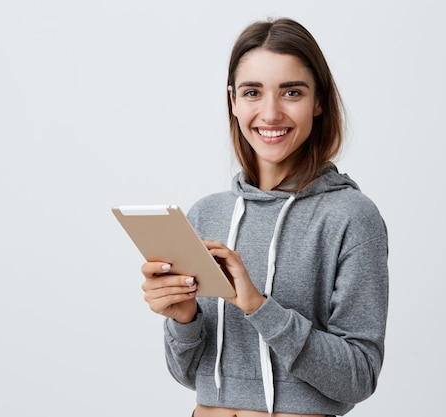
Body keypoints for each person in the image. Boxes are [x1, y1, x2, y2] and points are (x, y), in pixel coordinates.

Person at [141, 18, 389, 417]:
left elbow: (359, 377)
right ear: (233, 102)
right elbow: (191, 376)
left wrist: (258, 306)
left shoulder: (350, 217)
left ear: (318, 101)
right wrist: (183, 319)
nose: (270, 113)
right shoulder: (207, 213)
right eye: (252, 92)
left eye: (292, 92)